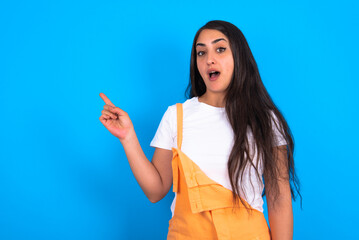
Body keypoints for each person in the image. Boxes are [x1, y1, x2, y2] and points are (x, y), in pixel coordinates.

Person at [99, 20, 301, 240]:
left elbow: (278, 198)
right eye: (201, 53)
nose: (209, 59)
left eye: (220, 49)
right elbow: (155, 191)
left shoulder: (266, 120)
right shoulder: (176, 116)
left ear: (239, 57)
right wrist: (128, 137)